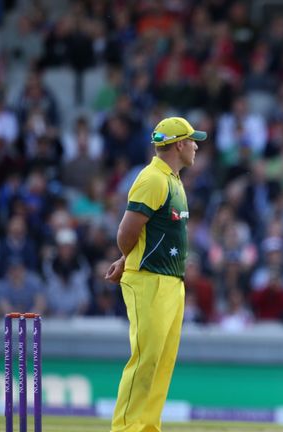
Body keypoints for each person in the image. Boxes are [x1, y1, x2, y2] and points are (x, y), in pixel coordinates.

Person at [104, 116, 206, 432]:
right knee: (146, 360)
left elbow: (150, 233)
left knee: (161, 363)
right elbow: (126, 232)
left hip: (171, 281)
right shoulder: (153, 179)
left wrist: (126, 258)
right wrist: (127, 258)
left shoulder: (173, 179)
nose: (195, 146)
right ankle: (126, 428)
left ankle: (147, 426)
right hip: (148, 279)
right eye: (192, 140)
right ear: (178, 144)